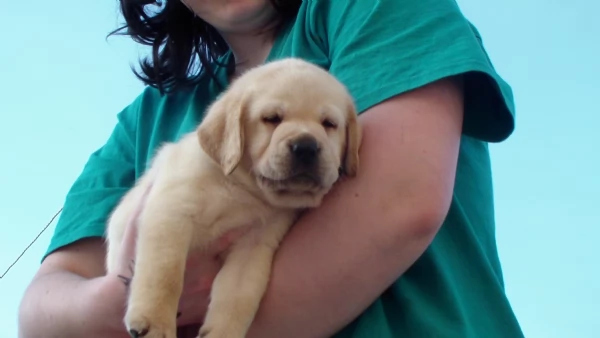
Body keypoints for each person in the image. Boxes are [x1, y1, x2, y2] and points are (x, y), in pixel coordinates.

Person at [18, 0, 525, 337]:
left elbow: (399, 206)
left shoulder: (377, 7)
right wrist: (137, 291)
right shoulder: (149, 118)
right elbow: (41, 309)